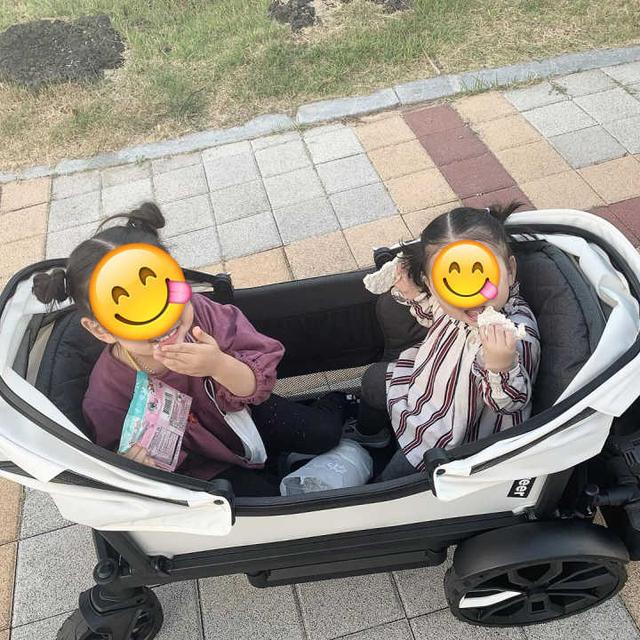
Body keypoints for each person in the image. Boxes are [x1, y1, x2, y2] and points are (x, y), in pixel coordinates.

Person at [32, 202, 347, 497]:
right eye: (141, 320)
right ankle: (278, 467)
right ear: (101, 329)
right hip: (201, 463)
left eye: (168, 301)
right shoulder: (108, 394)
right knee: (263, 501)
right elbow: (117, 461)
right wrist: (134, 463)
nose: (167, 325)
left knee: (326, 433)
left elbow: (258, 384)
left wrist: (218, 365)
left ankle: (339, 401)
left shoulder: (202, 315)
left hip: (243, 412)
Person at [349, 202, 541, 481]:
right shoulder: (449, 304)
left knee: (393, 479)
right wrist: (415, 295)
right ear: (432, 283)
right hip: (427, 385)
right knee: (372, 380)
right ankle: (371, 436)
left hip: (451, 434)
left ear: (509, 271)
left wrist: (501, 365)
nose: (471, 296)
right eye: (451, 283)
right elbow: (434, 316)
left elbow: (510, 404)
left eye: (482, 277)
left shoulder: (515, 334)